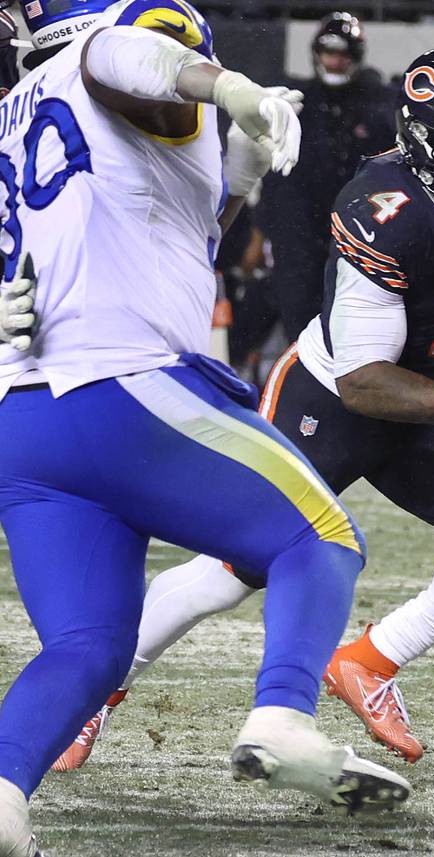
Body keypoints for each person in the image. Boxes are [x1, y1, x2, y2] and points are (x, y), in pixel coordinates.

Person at [51, 46, 434, 773]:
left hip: (433, 393)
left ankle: (369, 660)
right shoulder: (382, 210)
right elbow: (365, 382)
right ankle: (91, 692)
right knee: (231, 571)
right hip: (334, 399)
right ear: (423, 145)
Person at [0, 1, 412, 852]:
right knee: (319, 536)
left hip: (25, 424)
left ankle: (3, 793)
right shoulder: (112, 47)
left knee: (88, 645)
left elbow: (159, 234)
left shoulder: (18, 114)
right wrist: (233, 89)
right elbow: (127, 53)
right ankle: (282, 716)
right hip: (120, 389)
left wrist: (240, 179)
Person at [258, 11, 395, 341]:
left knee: (353, 327)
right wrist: (263, 227)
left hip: (357, 234)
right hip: (299, 236)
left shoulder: (378, 106)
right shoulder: (296, 102)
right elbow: (273, 178)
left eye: (343, 54)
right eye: (328, 53)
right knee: (298, 323)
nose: (334, 62)